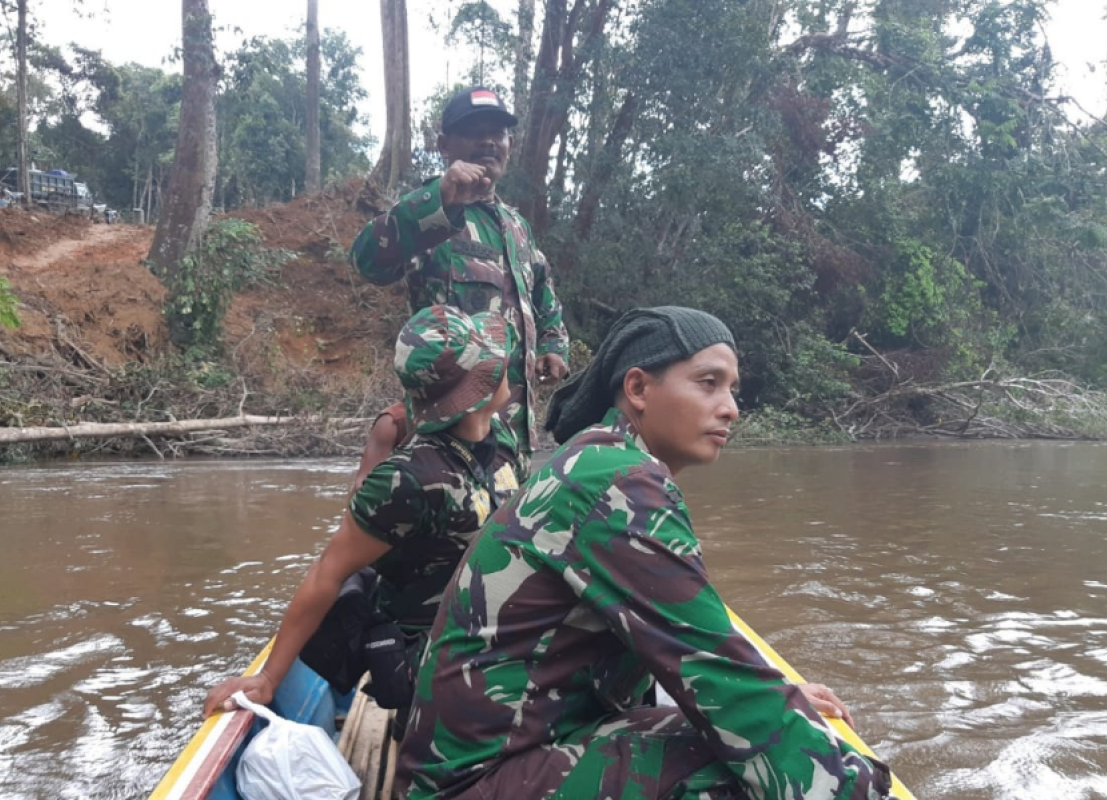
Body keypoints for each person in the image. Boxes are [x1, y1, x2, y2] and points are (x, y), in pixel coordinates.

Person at [398, 306, 895, 800]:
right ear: (637, 389)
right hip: (471, 784)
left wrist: (778, 699)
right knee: (748, 776)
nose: (730, 408)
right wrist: (858, 786)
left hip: (496, 759)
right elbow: (713, 667)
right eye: (708, 382)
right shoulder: (617, 482)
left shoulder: (601, 461)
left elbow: (704, 660)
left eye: (732, 389)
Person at [203, 305, 524, 717]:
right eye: (493, 363)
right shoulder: (407, 479)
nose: (505, 368)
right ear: (477, 387)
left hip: (489, 626)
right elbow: (328, 572)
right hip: (437, 653)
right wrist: (268, 678)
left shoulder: (502, 441)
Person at [350, 86, 571, 465]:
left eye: (497, 133)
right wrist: (441, 198)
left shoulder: (517, 227)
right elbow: (366, 261)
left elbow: (543, 297)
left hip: (516, 439)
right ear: (444, 144)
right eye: (472, 131)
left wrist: (554, 347)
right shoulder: (431, 211)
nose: (487, 141)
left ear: (510, 144)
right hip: (451, 442)